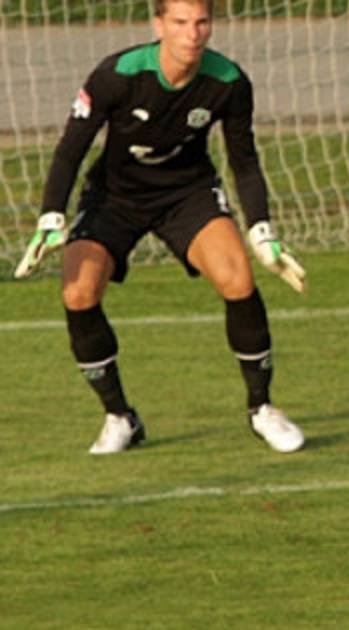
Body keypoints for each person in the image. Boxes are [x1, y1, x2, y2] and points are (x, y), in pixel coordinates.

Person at [13, 0, 307, 454]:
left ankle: (262, 408)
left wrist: (262, 230)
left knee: (238, 279)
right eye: (180, 22)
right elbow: (71, 147)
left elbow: (244, 160)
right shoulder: (117, 75)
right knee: (78, 293)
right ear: (159, 24)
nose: (192, 33)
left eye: (202, 22)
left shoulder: (228, 82)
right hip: (114, 197)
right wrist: (52, 214)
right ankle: (120, 417)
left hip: (187, 194)